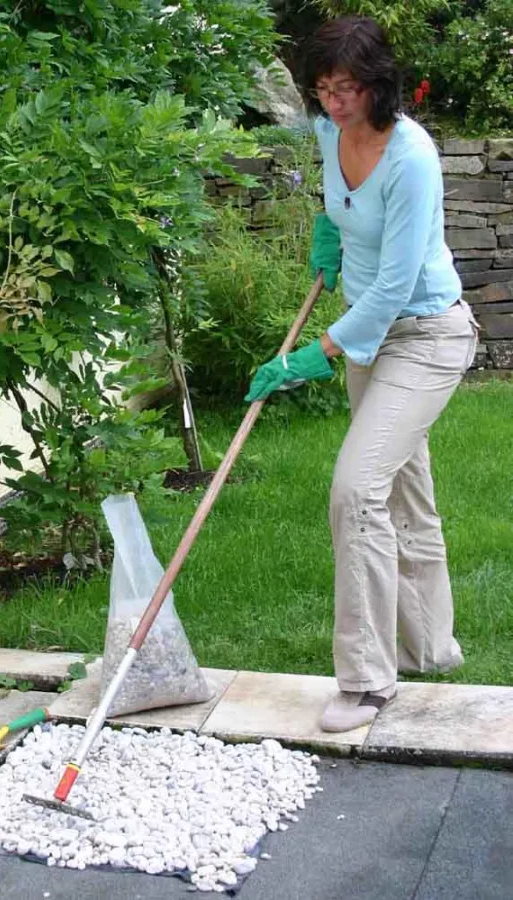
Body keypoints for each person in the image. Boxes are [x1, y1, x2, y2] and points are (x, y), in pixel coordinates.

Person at [245, 16, 479, 733]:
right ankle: (430, 647)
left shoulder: (412, 157)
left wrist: (315, 354)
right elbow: (343, 209)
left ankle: (367, 681)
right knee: (404, 490)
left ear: (377, 83)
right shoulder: (328, 131)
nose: (333, 103)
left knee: (356, 491)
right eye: (322, 89)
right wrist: (330, 231)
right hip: (369, 334)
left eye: (345, 88)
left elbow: (395, 285)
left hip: (426, 335)